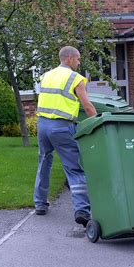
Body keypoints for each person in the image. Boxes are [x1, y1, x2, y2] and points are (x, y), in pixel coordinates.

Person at [34, 45, 96, 226]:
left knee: (44, 162)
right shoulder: (76, 78)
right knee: (74, 168)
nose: (79, 62)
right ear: (69, 59)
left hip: (43, 125)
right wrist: (98, 122)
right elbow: (87, 106)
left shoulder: (46, 75)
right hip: (61, 126)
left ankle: (40, 204)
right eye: (78, 59)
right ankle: (82, 210)